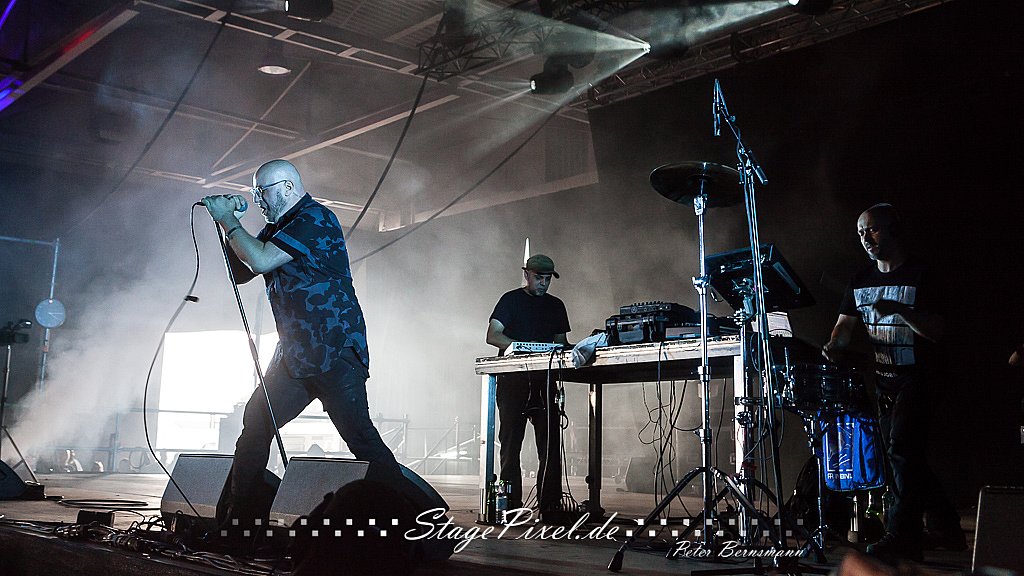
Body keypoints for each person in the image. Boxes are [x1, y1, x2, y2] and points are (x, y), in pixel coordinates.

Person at [202, 159, 402, 529]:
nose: (258, 200)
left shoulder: (315, 218)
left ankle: (413, 521)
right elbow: (243, 271)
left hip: (334, 351)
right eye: (255, 192)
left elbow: (260, 260)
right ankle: (237, 523)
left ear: (288, 188)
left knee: (360, 438)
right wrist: (228, 226)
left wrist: (229, 220)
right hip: (294, 356)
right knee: (256, 423)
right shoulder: (277, 228)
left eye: (262, 191)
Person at [822, 204, 964, 562]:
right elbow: (843, 327)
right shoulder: (860, 280)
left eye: (872, 230)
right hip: (885, 380)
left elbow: (937, 330)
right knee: (902, 455)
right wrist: (834, 346)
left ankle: (903, 536)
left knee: (902, 449)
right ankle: (947, 528)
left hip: (922, 376)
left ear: (893, 229)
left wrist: (900, 310)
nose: (865, 239)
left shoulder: (922, 274)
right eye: (860, 233)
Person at [485, 254, 570, 519]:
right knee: (511, 446)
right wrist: (520, 347)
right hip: (513, 382)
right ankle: (510, 506)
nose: (543, 283)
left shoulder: (556, 306)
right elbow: (493, 335)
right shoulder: (510, 300)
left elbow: (560, 342)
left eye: (547, 279)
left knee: (550, 446)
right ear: (526, 275)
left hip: (544, 381)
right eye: (538, 278)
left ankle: (550, 506)